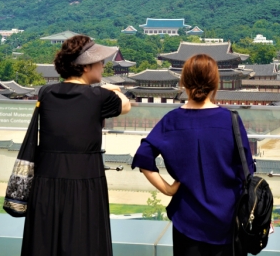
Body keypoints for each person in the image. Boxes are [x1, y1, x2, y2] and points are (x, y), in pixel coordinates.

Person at [132, 54, 255, 256]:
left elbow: (144, 155)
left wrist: (167, 189)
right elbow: (246, 171)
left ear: (183, 83)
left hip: (187, 219)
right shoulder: (230, 120)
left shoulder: (172, 120)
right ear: (215, 83)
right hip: (229, 218)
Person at [21, 34, 132, 256]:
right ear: (85, 66)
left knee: (45, 241)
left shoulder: (46, 92)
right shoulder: (98, 96)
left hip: (46, 180)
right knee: (84, 241)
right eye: (99, 61)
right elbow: (126, 106)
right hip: (85, 181)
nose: (102, 66)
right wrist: (114, 89)